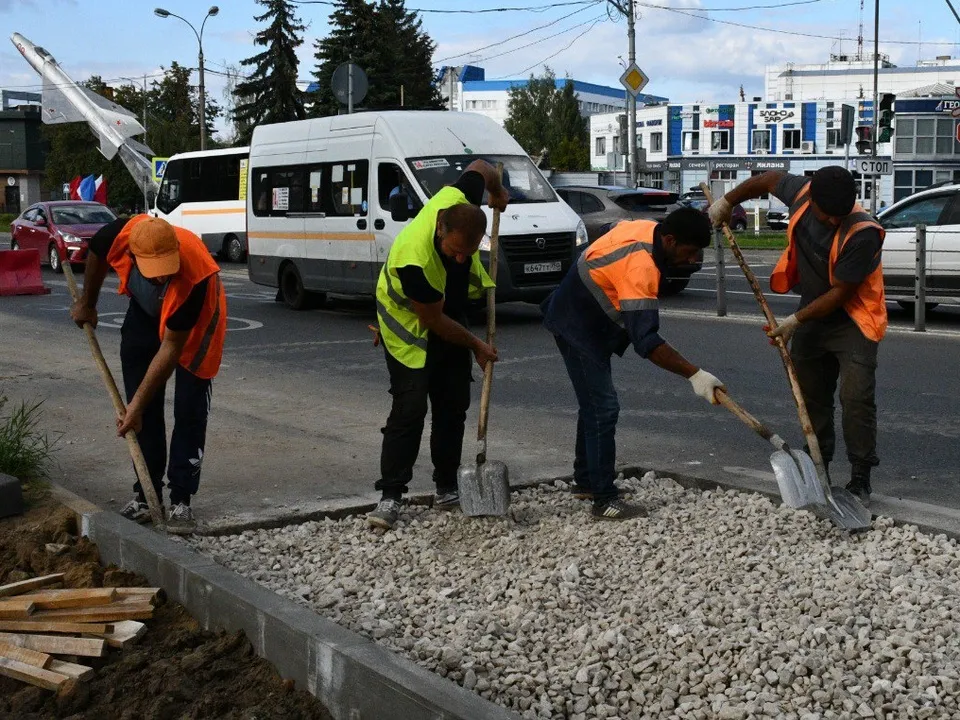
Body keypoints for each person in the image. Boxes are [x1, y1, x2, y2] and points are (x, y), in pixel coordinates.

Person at [708, 166, 885, 505]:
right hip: (811, 317)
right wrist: (727, 201)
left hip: (855, 322)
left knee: (856, 399)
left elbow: (840, 294)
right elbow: (766, 178)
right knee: (811, 397)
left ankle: (861, 477)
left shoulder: (863, 231)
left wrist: (793, 322)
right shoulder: (800, 191)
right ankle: (819, 468)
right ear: (811, 197)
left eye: (840, 215)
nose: (834, 221)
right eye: (828, 215)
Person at [541, 207, 726, 520]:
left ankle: (587, 481)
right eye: (691, 251)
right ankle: (604, 500)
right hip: (577, 326)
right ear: (669, 240)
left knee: (593, 406)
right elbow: (648, 343)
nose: (694, 260)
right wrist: (695, 375)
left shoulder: (646, 229)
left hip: (580, 315)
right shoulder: (640, 267)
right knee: (603, 408)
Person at [367, 159, 510, 530]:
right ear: (439, 228)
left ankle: (447, 486)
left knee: (452, 406)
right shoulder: (415, 257)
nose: (462, 259)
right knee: (410, 408)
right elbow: (431, 320)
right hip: (409, 328)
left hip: (448, 316)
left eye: (470, 252)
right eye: (455, 251)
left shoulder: (459, 200)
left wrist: (496, 191)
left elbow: (481, 165)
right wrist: (477, 345)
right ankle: (391, 495)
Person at [70, 215, 227, 533]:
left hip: (195, 328)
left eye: (165, 272)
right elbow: (97, 256)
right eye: (152, 272)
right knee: (141, 407)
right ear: (131, 254)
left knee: (189, 409)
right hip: (145, 313)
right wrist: (88, 303)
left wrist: (136, 406)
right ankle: (146, 494)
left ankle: (181, 500)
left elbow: (171, 348)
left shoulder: (194, 272)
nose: (159, 280)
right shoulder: (116, 236)